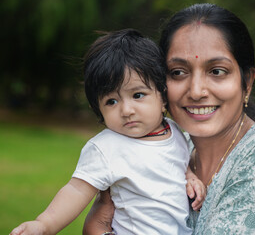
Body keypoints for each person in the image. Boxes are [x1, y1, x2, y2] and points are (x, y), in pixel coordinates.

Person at [84, 3, 255, 235]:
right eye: (178, 72)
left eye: (217, 71)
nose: (196, 91)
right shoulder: (176, 150)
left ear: (247, 83)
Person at [10, 29, 206, 235]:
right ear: (99, 110)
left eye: (138, 95)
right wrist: (44, 224)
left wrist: (190, 177)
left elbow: (175, 163)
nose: (126, 110)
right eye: (111, 101)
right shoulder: (107, 147)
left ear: (163, 96)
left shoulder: (173, 130)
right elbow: (76, 190)